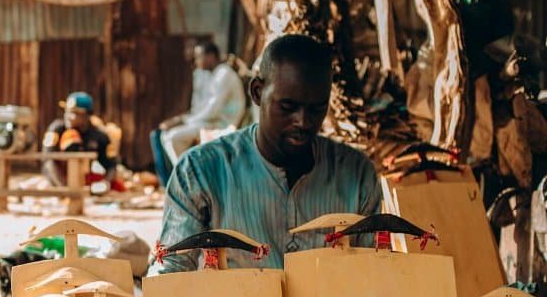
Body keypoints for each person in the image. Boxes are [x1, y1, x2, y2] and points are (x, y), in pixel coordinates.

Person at [150, 34, 383, 274]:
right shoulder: (200, 171)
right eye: (288, 107)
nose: (303, 121)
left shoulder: (356, 175)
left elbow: (373, 275)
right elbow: (171, 274)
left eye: (316, 108)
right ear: (258, 92)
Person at [152, 41, 247, 186]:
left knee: (173, 137)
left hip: (223, 124)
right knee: (165, 136)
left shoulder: (223, 74)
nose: (197, 62)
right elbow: (201, 107)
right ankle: (186, 179)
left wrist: (185, 121)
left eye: (199, 57)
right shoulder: (210, 75)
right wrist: (184, 119)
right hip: (210, 121)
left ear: (211, 56)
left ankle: (189, 181)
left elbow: (212, 110)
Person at [42, 91, 118, 188]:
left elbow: (111, 165)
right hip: (58, 179)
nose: (68, 117)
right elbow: (48, 161)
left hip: (83, 179)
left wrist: (105, 184)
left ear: (86, 116)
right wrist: (65, 189)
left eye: (74, 113)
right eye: (67, 112)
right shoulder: (56, 129)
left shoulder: (99, 135)